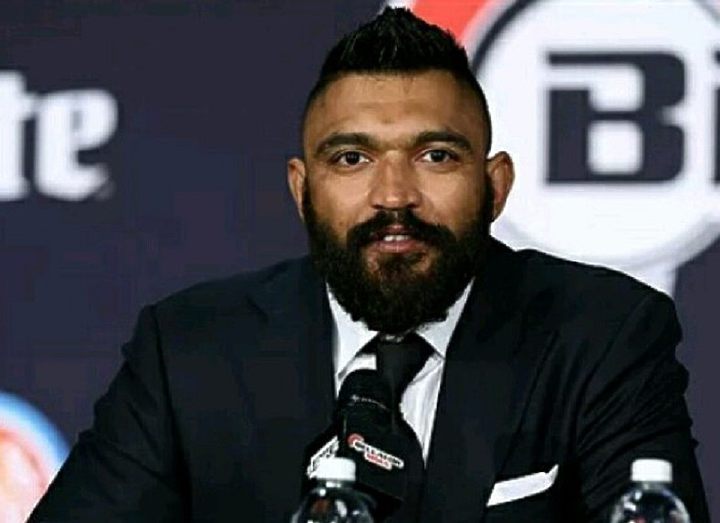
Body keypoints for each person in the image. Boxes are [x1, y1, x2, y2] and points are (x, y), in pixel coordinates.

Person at [29, 8, 709, 523]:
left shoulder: (603, 335)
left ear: (495, 186)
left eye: (435, 156)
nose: (393, 196)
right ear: (301, 190)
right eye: (351, 159)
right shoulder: (190, 350)